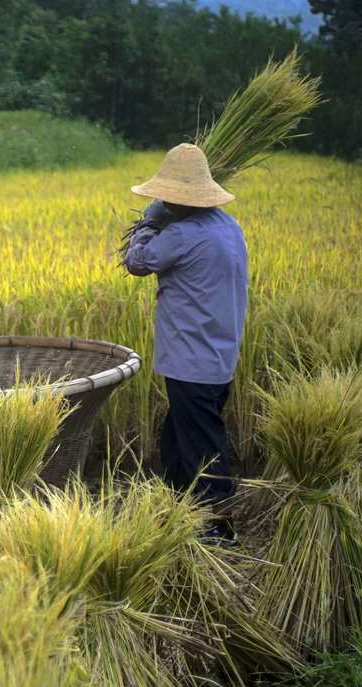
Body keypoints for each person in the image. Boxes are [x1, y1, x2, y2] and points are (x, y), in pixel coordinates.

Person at [125, 143, 248, 544]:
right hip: (218, 356)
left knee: (200, 446)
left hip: (190, 360)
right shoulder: (229, 226)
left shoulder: (180, 234)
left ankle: (217, 525)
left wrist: (147, 224)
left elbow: (137, 263)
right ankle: (180, 511)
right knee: (177, 438)